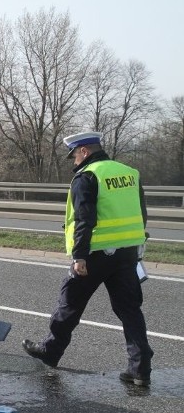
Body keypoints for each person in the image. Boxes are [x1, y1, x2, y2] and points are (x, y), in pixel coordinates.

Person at [22, 131, 153, 386]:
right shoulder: (129, 173)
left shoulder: (87, 176)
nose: (74, 161)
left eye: (74, 156)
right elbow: (141, 213)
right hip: (127, 252)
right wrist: (135, 243)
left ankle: (50, 351)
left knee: (69, 302)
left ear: (84, 152)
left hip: (95, 254)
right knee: (129, 310)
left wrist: (79, 256)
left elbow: (85, 219)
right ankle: (140, 369)